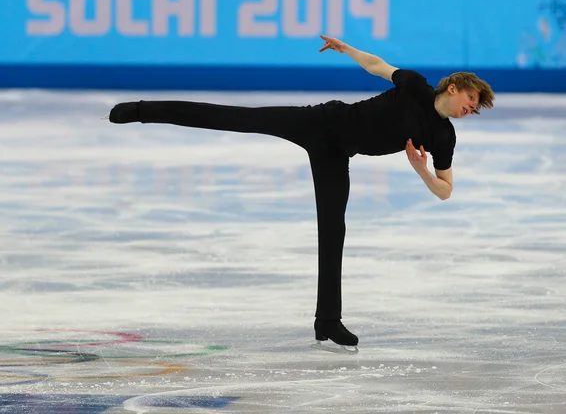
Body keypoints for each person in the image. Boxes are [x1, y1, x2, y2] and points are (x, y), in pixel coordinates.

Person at [106, 35, 495, 349]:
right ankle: (141, 109)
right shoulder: (415, 86)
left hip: (336, 153)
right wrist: (347, 49)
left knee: (334, 230)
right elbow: (378, 66)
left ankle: (328, 320)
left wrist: (421, 170)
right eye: (471, 101)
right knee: (237, 118)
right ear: (456, 87)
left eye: (475, 109)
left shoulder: (443, 136)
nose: (470, 110)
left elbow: (445, 190)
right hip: (320, 121)